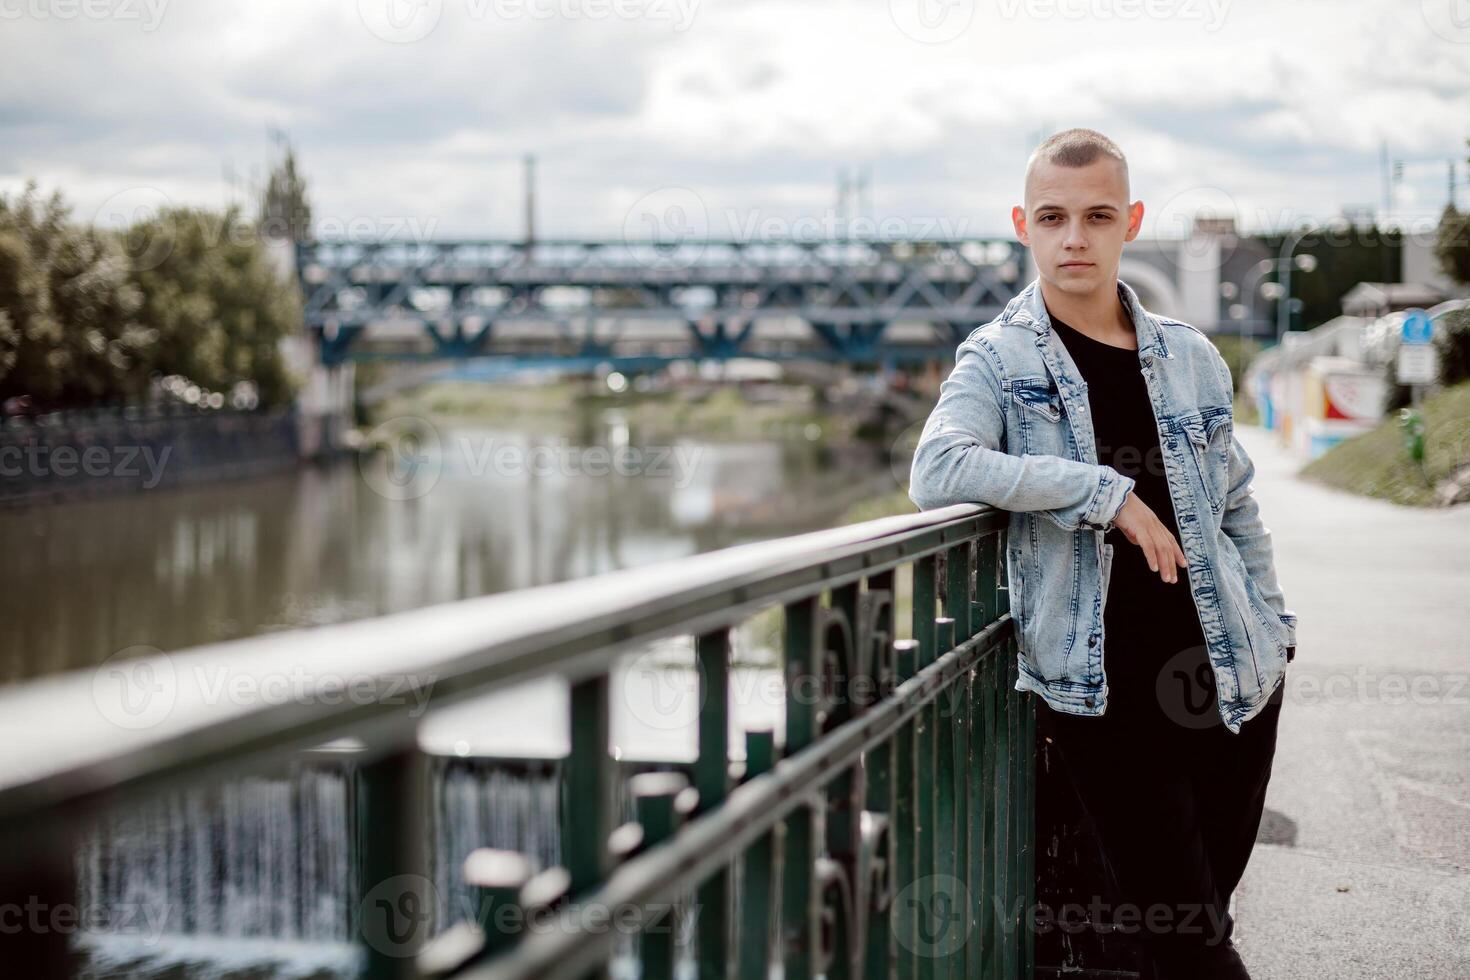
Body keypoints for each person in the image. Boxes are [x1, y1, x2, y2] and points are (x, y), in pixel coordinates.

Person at [908, 128, 1297, 979]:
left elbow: (1236, 505)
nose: (1073, 237)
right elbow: (937, 468)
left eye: (1097, 216)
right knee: (1193, 945)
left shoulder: (1191, 356)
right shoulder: (1000, 357)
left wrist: (1276, 627)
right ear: (1023, 224)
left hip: (1234, 680)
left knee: (1197, 923)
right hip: (1107, 699)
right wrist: (1102, 493)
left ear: (1132, 222)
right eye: (1052, 217)